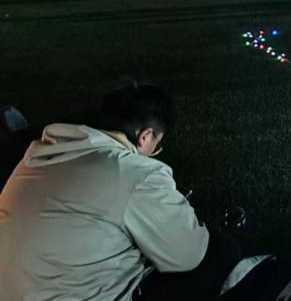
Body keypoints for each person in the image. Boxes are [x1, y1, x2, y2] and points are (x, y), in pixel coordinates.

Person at [0, 83, 233, 300]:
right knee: (222, 251)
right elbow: (187, 254)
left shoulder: (41, 154)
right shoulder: (136, 172)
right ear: (145, 136)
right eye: (157, 146)